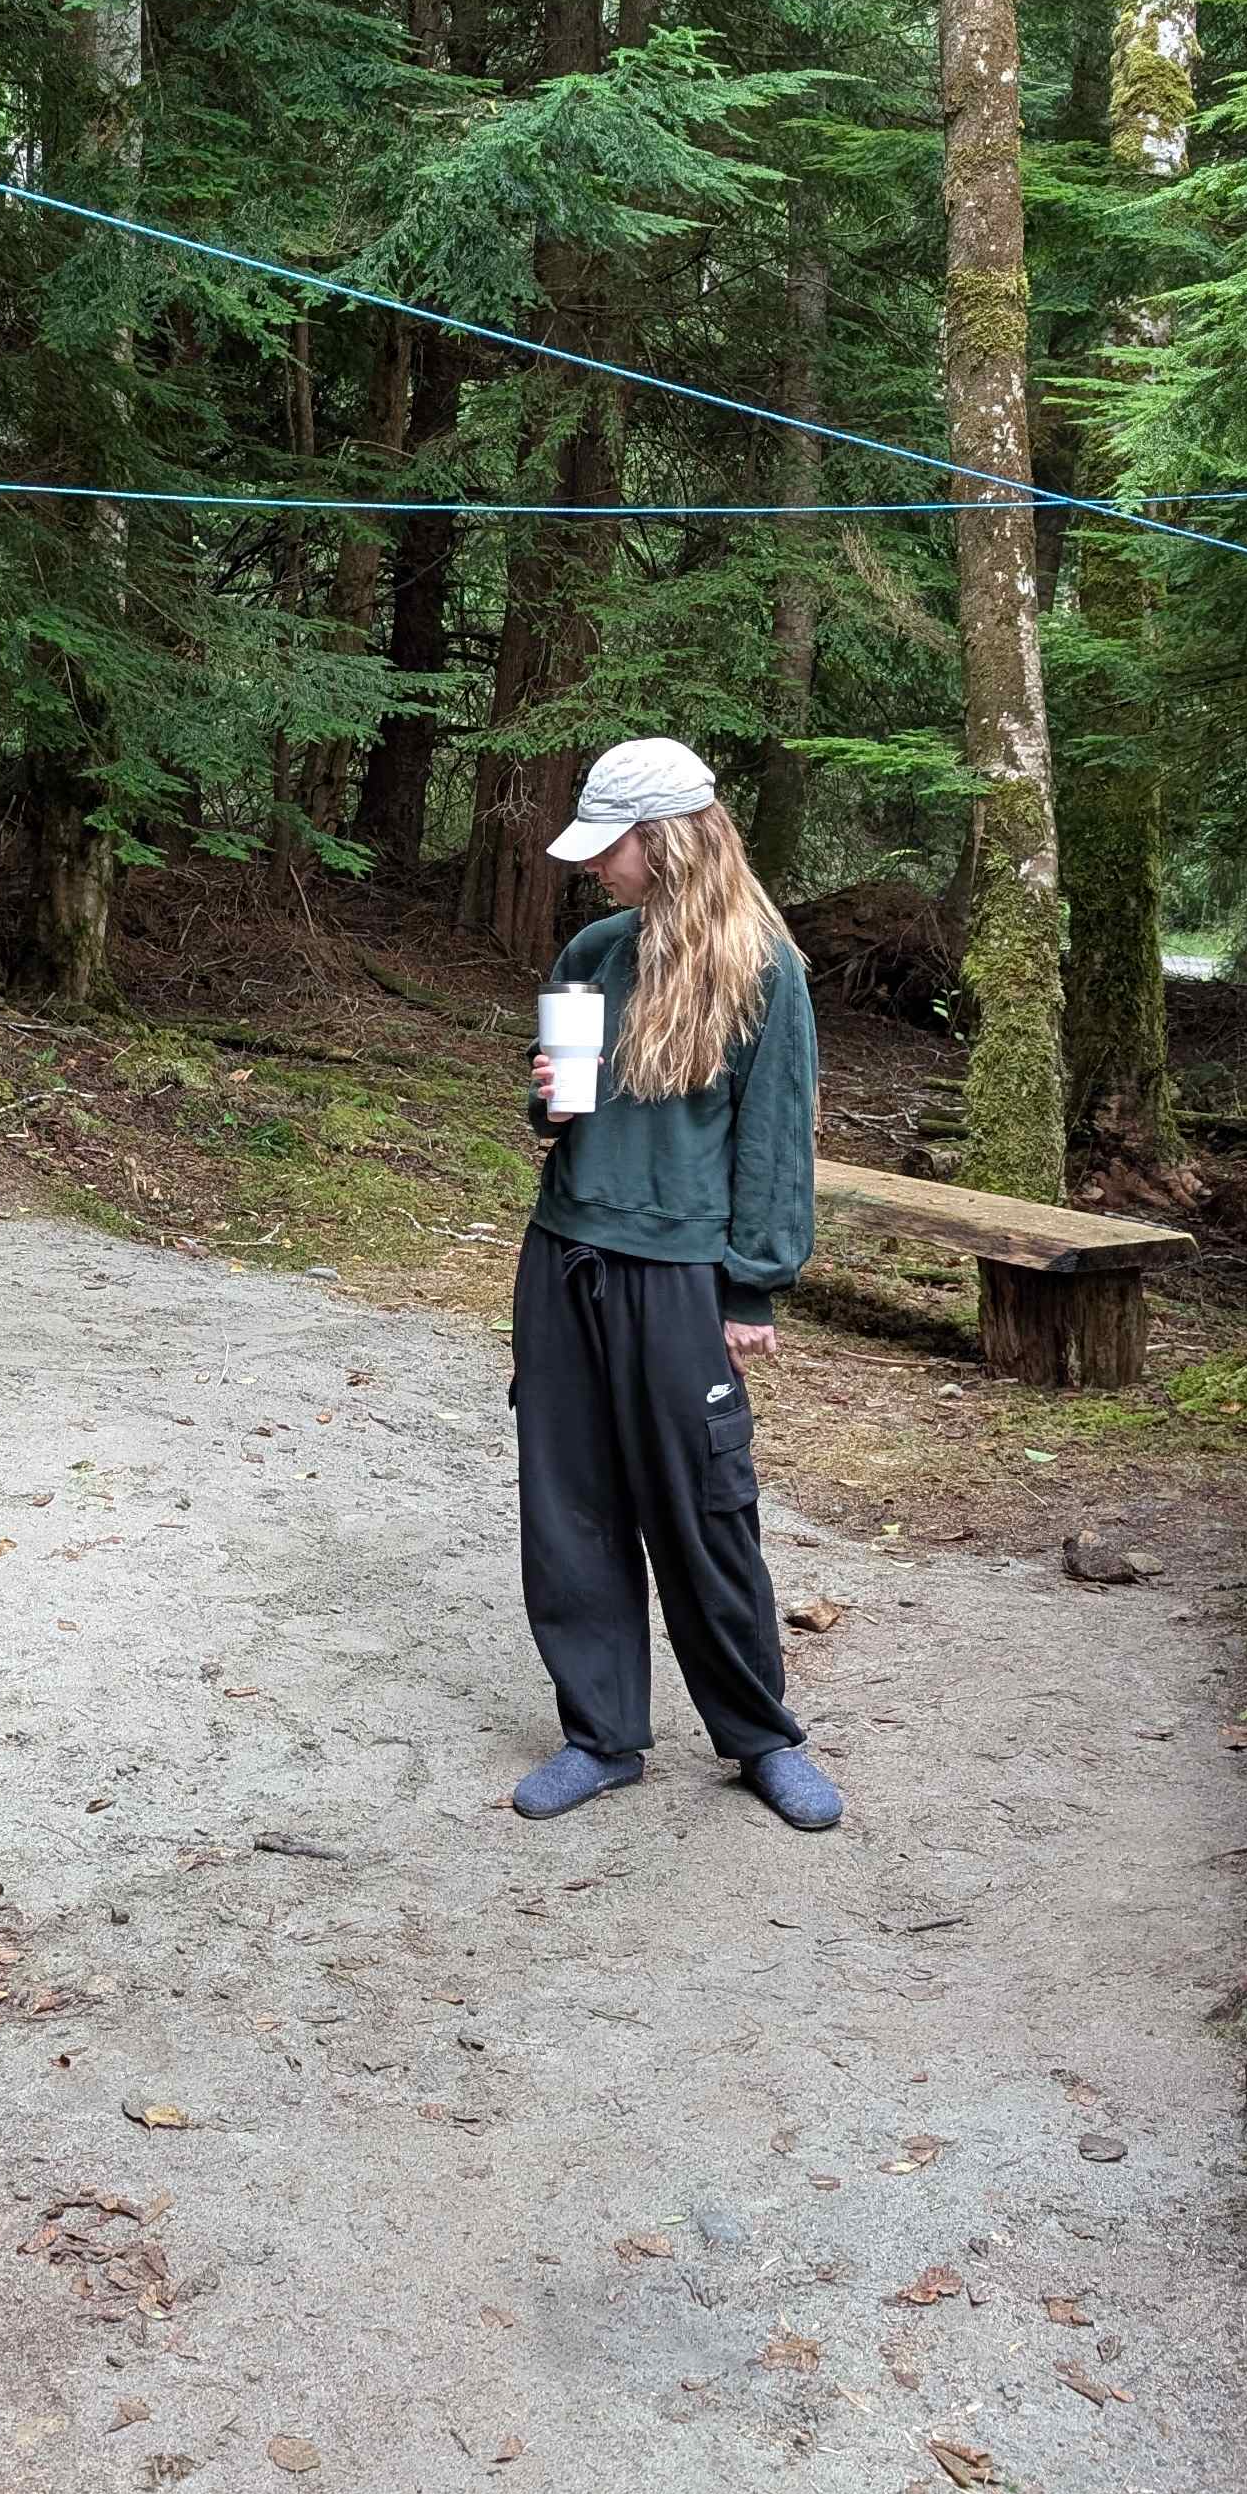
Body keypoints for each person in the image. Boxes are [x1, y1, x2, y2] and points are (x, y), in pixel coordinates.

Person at [509, 737, 840, 1832]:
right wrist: (549, 1104)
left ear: (667, 842)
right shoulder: (594, 951)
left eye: (611, 849)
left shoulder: (765, 973)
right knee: (571, 1505)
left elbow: (775, 1141)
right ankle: (601, 1736)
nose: (595, 868)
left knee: (704, 1512)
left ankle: (757, 1739)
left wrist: (753, 1290)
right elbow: (553, 1110)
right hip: (566, 1257)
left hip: (682, 1279)